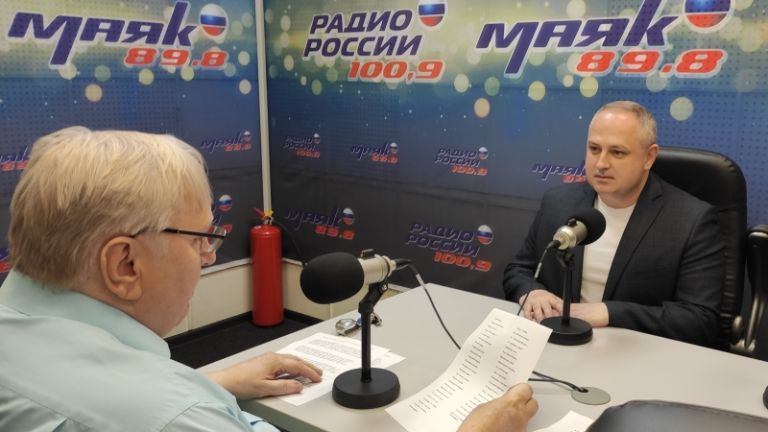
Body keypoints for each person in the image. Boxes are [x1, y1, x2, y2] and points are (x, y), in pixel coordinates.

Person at [0, 126, 537, 432]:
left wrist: (210, 382)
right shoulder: (179, 419)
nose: (207, 257)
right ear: (125, 265)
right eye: (199, 238)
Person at [503, 101, 724, 347]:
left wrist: (609, 312)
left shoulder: (692, 220)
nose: (601, 163)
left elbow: (699, 319)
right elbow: (518, 270)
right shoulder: (558, 202)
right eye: (594, 149)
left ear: (649, 157)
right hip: (557, 345)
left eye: (617, 152)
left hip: (636, 353)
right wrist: (531, 291)